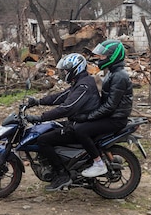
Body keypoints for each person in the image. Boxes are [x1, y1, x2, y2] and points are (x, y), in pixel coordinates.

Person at [25, 53, 100, 191]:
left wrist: (41, 117)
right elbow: (61, 97)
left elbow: (67, 108)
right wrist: (38, 101)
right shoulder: (79, 83)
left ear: (75, 69)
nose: (63, 73)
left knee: (43, 140)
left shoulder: (84, 86)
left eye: (66, 70)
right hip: (78, 122)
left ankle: (62, 174)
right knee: (49, 129)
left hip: (82, 125)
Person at [72, 39, 133, 178]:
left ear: (113, 56)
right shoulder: (112, 72)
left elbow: (110, 106)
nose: (100, 59)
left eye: (103, 56)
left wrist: (88, 116)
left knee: (81, 130)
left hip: (116, 119)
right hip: (112, 116)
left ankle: (98, 164)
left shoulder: (119, 76)